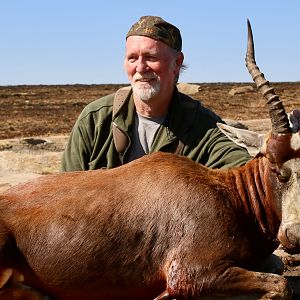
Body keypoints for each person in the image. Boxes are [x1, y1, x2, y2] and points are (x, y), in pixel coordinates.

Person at [61, 15, 252, 171]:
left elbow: (244, 173)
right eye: (132, 58)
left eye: (151, 57)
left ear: (177, 63)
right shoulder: (95, 119)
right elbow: (64, 192)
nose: (140, 68)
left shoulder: (204, 128)